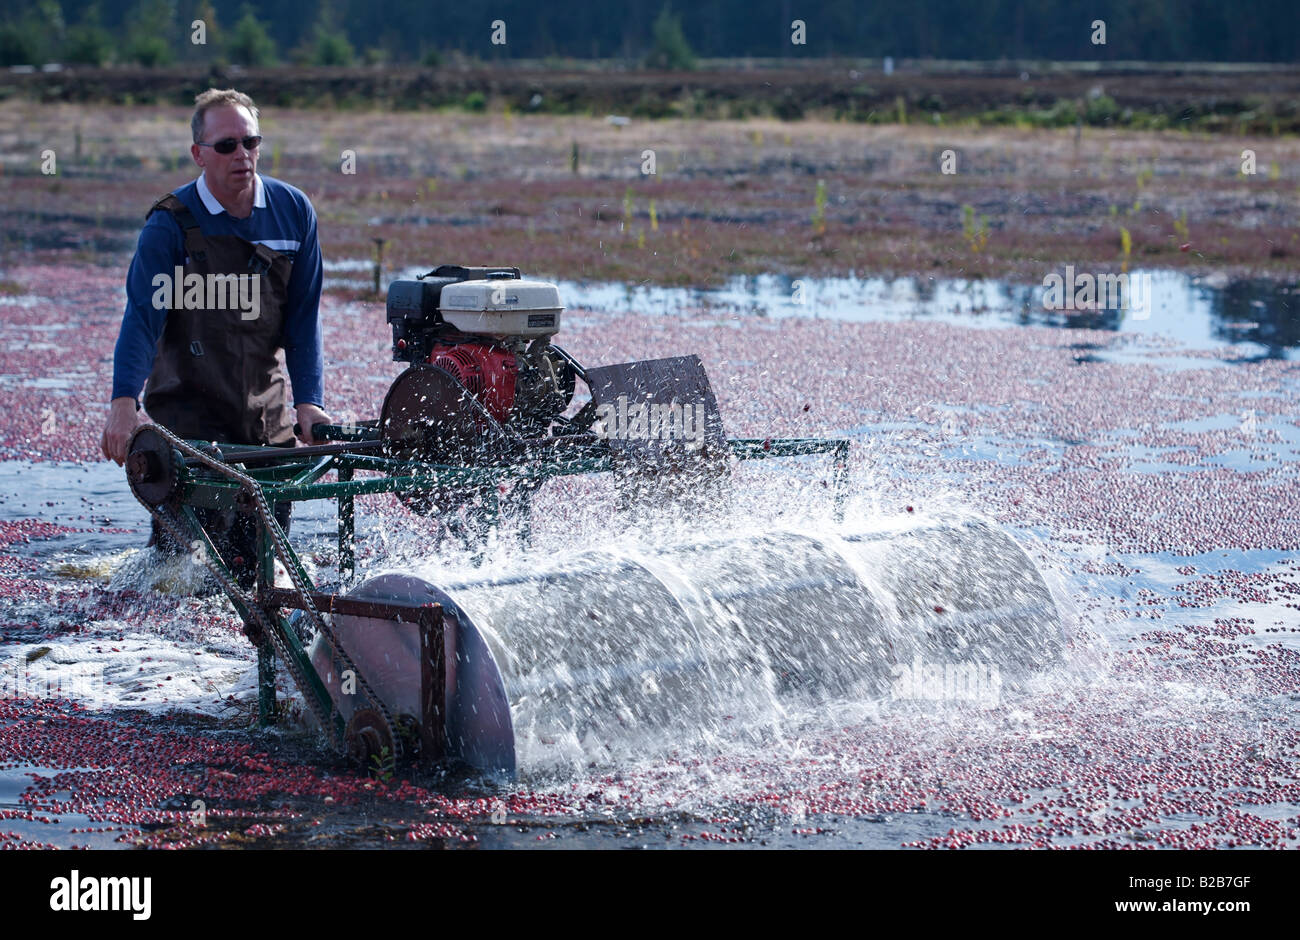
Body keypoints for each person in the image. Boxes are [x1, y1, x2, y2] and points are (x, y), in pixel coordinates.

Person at [101, 88, 331, 587]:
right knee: (184, 577)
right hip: (188, 423)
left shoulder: (293, 213)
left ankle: (248, 659)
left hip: (263, 423)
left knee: (262, 575)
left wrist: (310, 403)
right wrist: (124, 403)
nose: (242, 155)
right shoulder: (169, 225)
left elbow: (304, 322)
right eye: (226, 145)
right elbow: (142, 319)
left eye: (251, 142)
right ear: (198, 154)